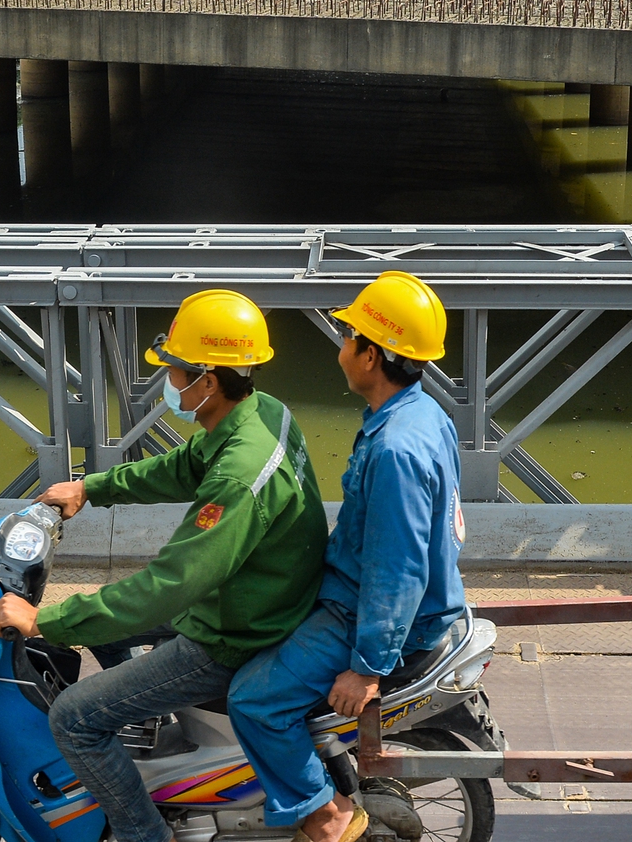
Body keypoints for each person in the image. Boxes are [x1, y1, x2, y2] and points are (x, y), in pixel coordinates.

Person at [0, 290, 328, 842]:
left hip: (236, 630)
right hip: (259, 591)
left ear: (208, 381)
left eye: (173, 370)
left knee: (73, 718)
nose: (167, 381)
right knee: (101, 623)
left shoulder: (239, 476)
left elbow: (169, 585)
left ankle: (143, 834)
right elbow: (181, 467)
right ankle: (146, 729)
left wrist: (44, 622)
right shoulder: (263, 413)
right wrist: (91, 488)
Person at [228, 271, 465, 842]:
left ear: (373, 355)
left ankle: (328, 817)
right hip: (364, 596)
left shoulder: (395, 449)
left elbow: (397, 569)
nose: (341, 345)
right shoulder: (421, 414)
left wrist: (366, 669)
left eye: (350, 335)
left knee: (253, 700)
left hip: (366, 617)